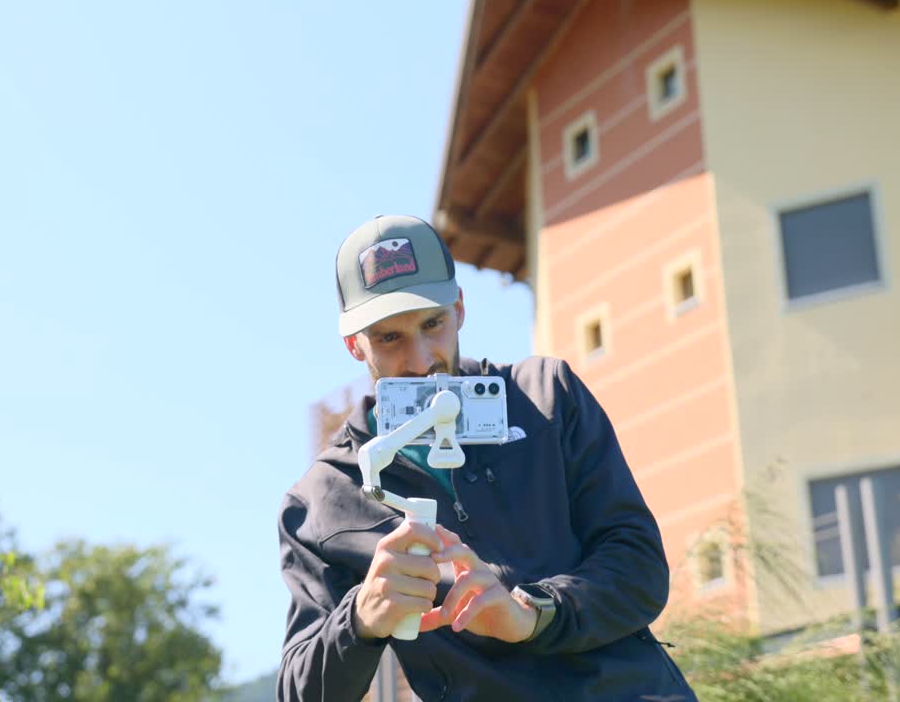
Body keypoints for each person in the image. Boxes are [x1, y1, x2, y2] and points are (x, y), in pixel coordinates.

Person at [277, 214, 696, 701]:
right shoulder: (321, 499)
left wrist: (534, 613)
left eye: (432, 324)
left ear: (459, 308)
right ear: (354, 344)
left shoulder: (547, 397)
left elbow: (639, 567)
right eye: (389, 338)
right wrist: (361, 618)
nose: (420, 360)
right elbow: (298, 691)